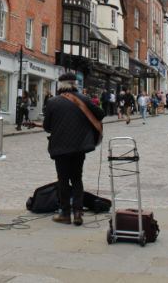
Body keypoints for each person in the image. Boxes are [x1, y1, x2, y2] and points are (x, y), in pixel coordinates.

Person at [43, 72, 104, 226]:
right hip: (79, 146)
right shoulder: (84, 99)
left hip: (60, 147)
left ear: (60, 85)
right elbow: (101, 114)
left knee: (63, 180)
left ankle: (65, 213)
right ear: (74, 84)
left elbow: (47, 127)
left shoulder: (52, 102)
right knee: (77, 179)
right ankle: (78, 213)